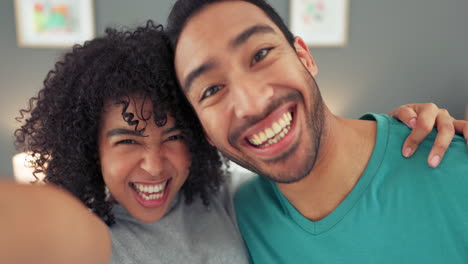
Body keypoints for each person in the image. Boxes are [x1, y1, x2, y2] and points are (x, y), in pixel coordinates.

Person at [166, 1, 468, 263]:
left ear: (305, 57)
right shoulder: (235, 220)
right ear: (203, 130)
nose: (252, 103)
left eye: (260, 55)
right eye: (212, 90)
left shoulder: (454, 168)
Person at [11, 22, 248, 264]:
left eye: (174, 137)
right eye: (128, 141)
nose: (154, 167)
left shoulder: (227, 196)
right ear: (94, 149)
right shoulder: (92, 237)